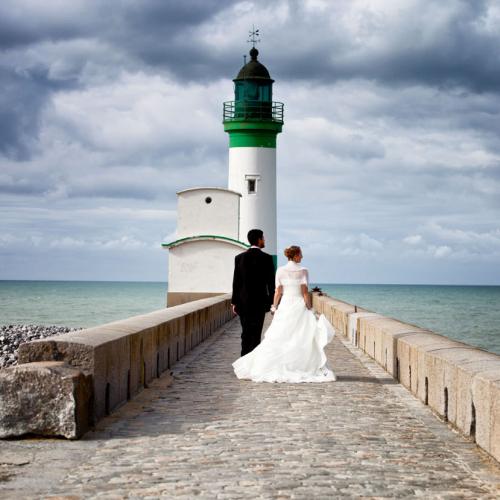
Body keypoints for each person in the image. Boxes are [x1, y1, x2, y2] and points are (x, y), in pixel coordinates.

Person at [233, 245, 336, 383]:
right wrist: (310, 308)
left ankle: (275, 365)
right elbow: (305, 293)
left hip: (285, 305)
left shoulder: (280, 270)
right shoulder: (303, 271)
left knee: (280, 336)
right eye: (301, 254)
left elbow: (278, 291)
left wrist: (274, 307)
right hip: (299, 305)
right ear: (296, 255)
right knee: (300, 337)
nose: (302, 257)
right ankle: (299, 365)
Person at [231, 229, 276, 356]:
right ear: (259, 239)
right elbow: (271, 284)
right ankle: (254, 363)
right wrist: (272, 303)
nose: (264, 240)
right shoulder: (267, 258)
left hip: (243, 302)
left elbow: (236, 282)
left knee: (245, 333)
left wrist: (234, 302)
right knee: (256, 334)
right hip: (260, 303)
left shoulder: (239, 258)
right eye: (263, 238)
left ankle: (244, 360)